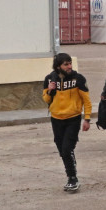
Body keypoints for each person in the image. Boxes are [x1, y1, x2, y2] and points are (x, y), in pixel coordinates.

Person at [43, 53, 92, 191]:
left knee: (67, 149)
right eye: (66, 64)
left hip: (73, 119)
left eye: (70, 63)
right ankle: (71, 165)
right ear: (58, 66)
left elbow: (87, 101)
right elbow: (46, 100)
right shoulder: (49, 79)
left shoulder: (79, 79)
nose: (69, 66)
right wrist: (50, 90)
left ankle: (72, 178)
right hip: (56, 119)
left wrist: (87, 119)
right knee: (62, 149)